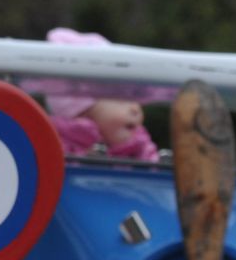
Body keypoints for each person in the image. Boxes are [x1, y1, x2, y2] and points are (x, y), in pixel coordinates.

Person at [39, 28, 162, 161]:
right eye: (121, 100)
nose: (136, 109)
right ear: (81, 108)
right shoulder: (55, 145)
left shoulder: (142, 149)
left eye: (135, 99)